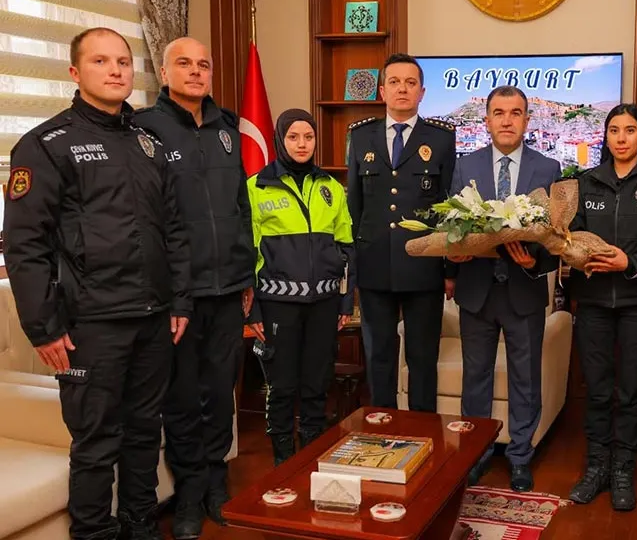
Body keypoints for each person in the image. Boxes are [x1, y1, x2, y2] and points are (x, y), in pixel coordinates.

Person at [3, 27, 191, 540]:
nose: (115, 71)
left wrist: (179, 301)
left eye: (123, 62)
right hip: (91, 324)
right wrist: (43, 328)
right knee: (96, 442)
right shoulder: (46, 145)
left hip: (154, 318)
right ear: (75, 72)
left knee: (143, 433)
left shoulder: (149, 144)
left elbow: (173, 231)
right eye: (101, 61)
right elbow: (25, 245)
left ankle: (140, 526)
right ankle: (92, 533)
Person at [133, 36, 254, 538]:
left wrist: (247, 276)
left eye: (204, 64)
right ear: (165, 73)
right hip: (177, 296)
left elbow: (241, 208)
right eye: (184, 63)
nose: (196, 71)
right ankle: (188, 494)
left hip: (228, 289)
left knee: (220, 393)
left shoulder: (227, 129)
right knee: (183, 398)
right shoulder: (144, 129)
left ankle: (216, 484)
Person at [445, 86, 562, 492]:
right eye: (499, 113)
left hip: (523, 291)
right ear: (487, 121)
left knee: (525, 380)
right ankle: (475, 455)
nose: (507, 120)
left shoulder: (548, 168)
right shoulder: (465, 166)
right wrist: (453, 261)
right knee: (475, 378)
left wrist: (536, 264)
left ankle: (520, 458)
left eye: (515, 113)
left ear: (527, 120)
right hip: (476, 291)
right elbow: (452, 226)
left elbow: (556, 236)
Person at [565, 104, 637, 510]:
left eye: (630, 130)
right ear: (606, 136)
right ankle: (596, 467)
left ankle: (623, 469)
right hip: (592, 301)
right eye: (614, 130)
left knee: (630, 393)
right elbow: (568, 237)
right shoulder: (585, 183)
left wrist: (631, 262)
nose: (622, 138)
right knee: (596, 391)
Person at [347, 53, 457, 412]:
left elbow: (449, 209)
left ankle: (422, 432)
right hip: (374, 265)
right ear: (382, 91)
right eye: (394, 82)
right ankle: (383, 427)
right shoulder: (360, 136)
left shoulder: (441, 139)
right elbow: (354, 207)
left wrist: (449, 270)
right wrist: (354, 267)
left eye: (411, 83)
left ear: (422, 92)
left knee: (422, 359)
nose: (402, 89)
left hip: (424, 268)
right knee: (379, 357)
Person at [247, 109, 355, 465]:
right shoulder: (256, 187)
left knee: (317, 384)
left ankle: (310, 458)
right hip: (276, 305)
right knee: (282, 386)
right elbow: (247, 253)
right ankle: (283, 461)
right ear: (280, 140)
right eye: (293, 137)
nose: (302, 144)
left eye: (308, 137)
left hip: (324, 303)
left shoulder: (331, 187)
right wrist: (253, 309)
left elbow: (346, 247)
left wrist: (345, 302)